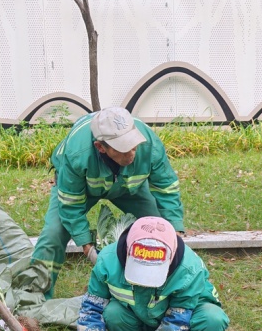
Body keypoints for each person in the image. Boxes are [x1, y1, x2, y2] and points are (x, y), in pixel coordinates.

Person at [28, 107, 184, 298]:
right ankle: (35, 297)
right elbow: (71, 204)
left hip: (129, 186)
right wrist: (87, 246)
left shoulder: (149, 143)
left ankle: (167, 289)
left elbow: (166, 187)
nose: (132, 153)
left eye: (133, 145)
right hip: (82, 188)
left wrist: (175, 230)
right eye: (123, 148)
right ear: (100, 147)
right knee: (53, 234)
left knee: (161, 229)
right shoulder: (77, 153)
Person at [76, 216, 228, 331]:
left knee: (213, 319)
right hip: (139, 316)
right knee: (113, 313)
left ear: (170, 258)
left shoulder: (189, 269)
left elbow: (179, 317)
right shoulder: (107, 262)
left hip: (187, 318)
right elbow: (91, 309)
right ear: (128, 252)